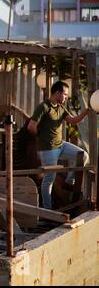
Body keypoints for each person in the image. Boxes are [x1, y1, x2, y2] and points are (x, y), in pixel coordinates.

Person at [27, 81, 90, 210]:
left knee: (83, 156)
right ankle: (47, 209)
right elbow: (31, 126)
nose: (66, 97)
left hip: (61, 145)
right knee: (49, 179)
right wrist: (41, 138)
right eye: (65, 95)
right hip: (48, 149)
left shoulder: (61, 108)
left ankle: (69, 181)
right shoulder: (43, 107)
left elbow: (73, 121)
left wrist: (87, 111)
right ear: (57, 93)